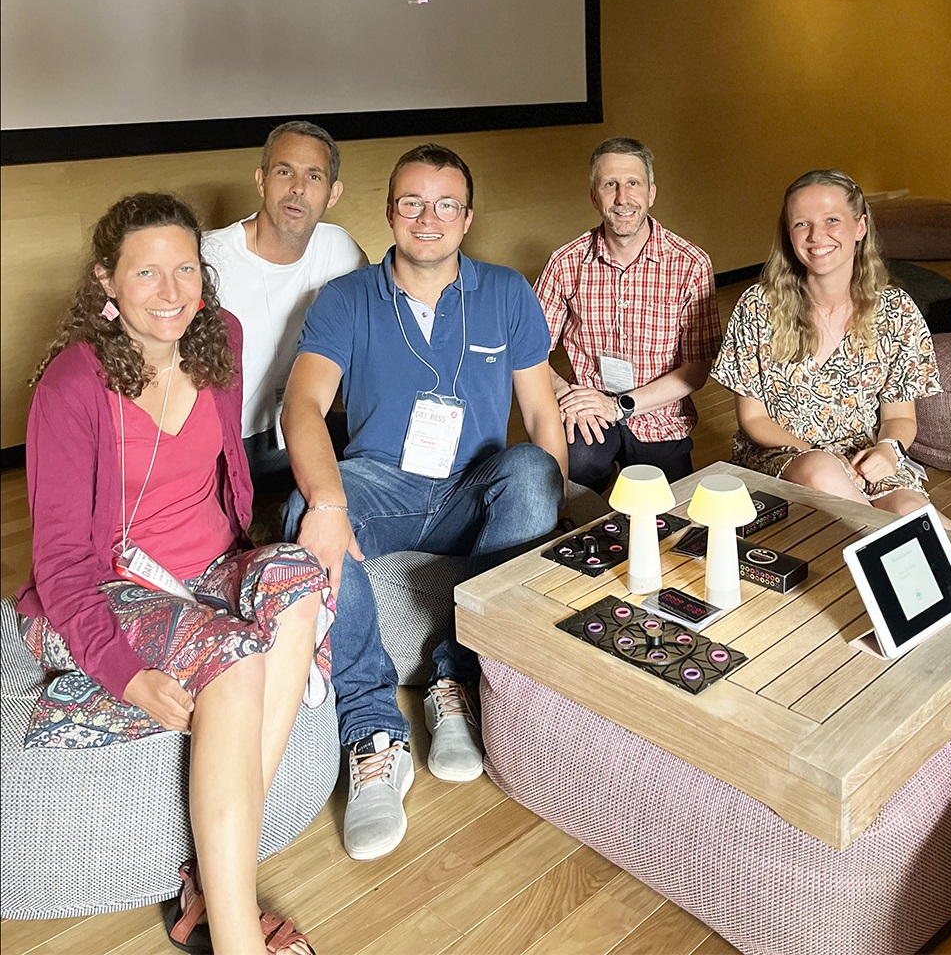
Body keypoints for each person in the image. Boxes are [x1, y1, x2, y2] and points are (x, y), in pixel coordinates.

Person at [14, 193, 329, 955]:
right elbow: (61, 566)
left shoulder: (220, 338)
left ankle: (210, 881)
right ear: (106, 282)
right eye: (146, 273)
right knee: (237, 656)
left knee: (300, 578)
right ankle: (235, 936)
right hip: (99, 590)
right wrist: (126, 677)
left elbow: (230, 484)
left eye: (185, 269)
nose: (170, 292)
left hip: (205, 570)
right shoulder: (72, 385)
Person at [281, 143, 567, 863]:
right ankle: (373, 728)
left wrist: (550, 524)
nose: (428, 218)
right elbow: (302, 406)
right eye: (412, 203)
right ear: (389, 212)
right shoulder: (346, 298)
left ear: (467, 218)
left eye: (445, 205)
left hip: (472, 486)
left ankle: (454, 676)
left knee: (533, 473)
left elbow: (541, 415)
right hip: (382, 485)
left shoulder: (507, 292)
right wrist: (328, 503)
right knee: (298, 516)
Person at [712, 169, 948, 521]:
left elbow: (900, 416)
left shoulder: (897, 310)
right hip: (785, 455)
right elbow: (753, 419)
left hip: (863, 455)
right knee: (823, 471)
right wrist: (825, 458)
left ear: (860, 227)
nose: (816, 236)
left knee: (911, 508)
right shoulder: (758, 306)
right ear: (788, 234)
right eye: (801, 224)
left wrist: (888, 449)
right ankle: (894, 546)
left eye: (832, 220)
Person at [534, 137, 721, 495]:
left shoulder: (691, 264)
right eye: (610, 184)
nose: (622, 197)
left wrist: (619, 406)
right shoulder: (565, 262)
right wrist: (566, 394)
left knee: (668, 509)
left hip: (659, 414)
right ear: (594, 196)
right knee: (568, 476)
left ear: (651, 193)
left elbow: (697, 369)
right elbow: (528, 353)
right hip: (588, 410)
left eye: (633, 183)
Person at [202, 120, 367, 499]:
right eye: (284, 172)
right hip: (222, 444)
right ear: (261, 181)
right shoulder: (208, 258)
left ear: (333, 193)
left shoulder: (340, 250)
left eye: (314, 176)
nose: (298, 188)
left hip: (295, 429)